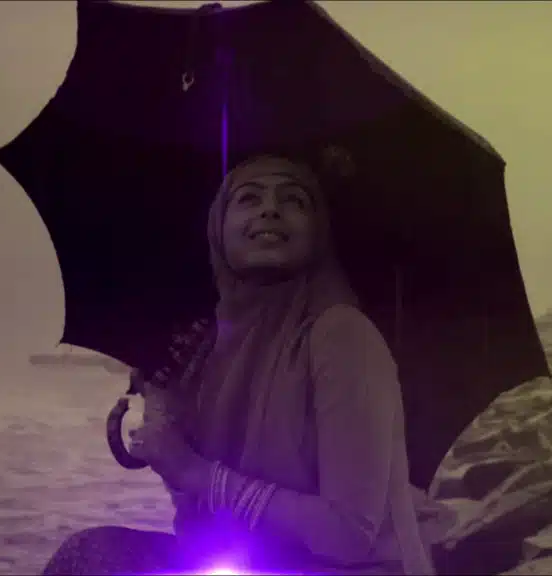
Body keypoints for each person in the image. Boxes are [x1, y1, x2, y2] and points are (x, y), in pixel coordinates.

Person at [43, 154, 435, 575]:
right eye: (249, 198)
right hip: (252, 563)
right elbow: (204, 523)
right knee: (87, 555)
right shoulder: (210, 343)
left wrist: (195, 471)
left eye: (294, 200)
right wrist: (167, 417)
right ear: (218, 229)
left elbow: (349, 534)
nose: (270, 210)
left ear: (318, 233)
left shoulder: (341, 334)